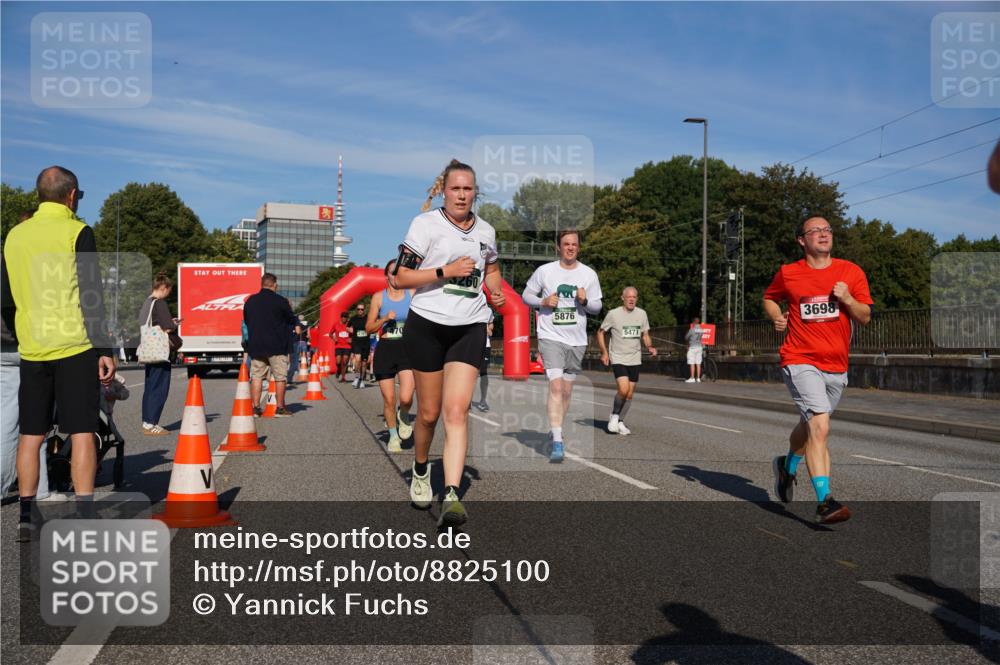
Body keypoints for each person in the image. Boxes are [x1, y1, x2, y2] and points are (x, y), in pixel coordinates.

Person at [2, 166, 115, 541]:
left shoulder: (15, 236)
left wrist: (25, 329)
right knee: (82, 431)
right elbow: (91, 293)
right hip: (74, 346)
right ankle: (84, 513)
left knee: (30, 434)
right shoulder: (78, 232)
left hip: (33, 347)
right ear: (71, 195)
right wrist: (104, 348)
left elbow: (6, 298)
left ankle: (26, 516)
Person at [392, 159, 505, 527]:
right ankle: (421, 467)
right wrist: (446, 271)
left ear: (475, 193)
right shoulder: (425, 225)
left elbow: (491, 269)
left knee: (456, 412)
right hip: (427, 324)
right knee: (428, 414)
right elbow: (400, 277)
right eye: (455, 188)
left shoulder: (486, 231)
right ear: (444, 191)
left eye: (468, 189)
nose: (461, 195)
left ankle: (452, 496)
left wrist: (496, 291)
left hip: (469, 326)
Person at [765, 216, 873, 525]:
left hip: (836, 365)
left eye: (827, 229)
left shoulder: (851, 272)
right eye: (815, 230)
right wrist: (776, 316)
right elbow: (769, 297)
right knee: (820, 427)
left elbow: (865, 316)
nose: (823, 234)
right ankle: (825, 501)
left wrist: (847, 298)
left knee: (810, 425)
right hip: (799, 359)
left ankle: (787, 465)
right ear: (802, 240)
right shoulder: (789, 273)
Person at [522, 228, 602, 462]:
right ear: (558, 247)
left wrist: (584, 300)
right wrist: (543, 301)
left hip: (577, 340)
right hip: (551, 337)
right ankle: (558, 441)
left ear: (579, 247)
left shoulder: (588, 274)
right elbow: (526, 296)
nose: (570, 248)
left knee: (566, 392)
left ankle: (554, 429)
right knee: (556, 388)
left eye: (574, 244)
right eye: (566, 244)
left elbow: (597, 307)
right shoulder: (545, 271)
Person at [1, 207, 63, 504]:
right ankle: (39, 490)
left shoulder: (8, 253)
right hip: (26, 345)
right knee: (34, 421)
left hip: (3, 346)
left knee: (10, 418)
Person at [367, 259, 415, 453]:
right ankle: (394, 436)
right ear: (386, 275)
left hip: (407, 348)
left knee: (406, 397)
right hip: (386, 349)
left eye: (398, 272)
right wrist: (384, 319)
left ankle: (403, 414)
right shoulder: (379, 297)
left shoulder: (412, 294)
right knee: (389, 399)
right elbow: (369, 327)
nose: (395, 276)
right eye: (392, 272)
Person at [597, 286, 657, 436]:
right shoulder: (613, 314)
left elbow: (645, 335)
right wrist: (604, 352)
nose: (631, 299)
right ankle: (614, 416)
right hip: (618, 357)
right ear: (622, 298)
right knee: (623, 390)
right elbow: (600, 332)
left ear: (637, 299)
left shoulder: (642, 314)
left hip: (635, 358)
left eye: (634, 297)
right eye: (629, 297)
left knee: (629, 395)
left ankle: (620, 421)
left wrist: (650, 346)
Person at [243, 273, 300, 418]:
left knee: (257, 376)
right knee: (280, 377)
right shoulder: (281, 301)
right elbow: (290, 319)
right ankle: (280, 408)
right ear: (274, 285)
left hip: (257, 345)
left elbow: (247, 321)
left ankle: (256, 408)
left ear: (262, 284)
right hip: (277, 346)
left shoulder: (251, 301)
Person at [138, 273, 182, 435]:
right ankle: (152, 423)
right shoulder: (159, 303)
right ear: (163, 288)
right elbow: (167, 327)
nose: (168, 294)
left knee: (150, 387)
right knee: (160, 388)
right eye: (168, 291)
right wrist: (174, 324)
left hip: (149, 351)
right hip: (159, 352)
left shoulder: (147, 303)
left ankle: (147, 421)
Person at [472, 310, 494, 412]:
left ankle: (483, 401)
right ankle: (466, 400)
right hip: (472, 345)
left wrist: (489, 329)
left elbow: (491, 325)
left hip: (485, 346)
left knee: (483, 372)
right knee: (470, 373)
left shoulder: (488, 310)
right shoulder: (469, 306)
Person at [347, 303, 370, 389]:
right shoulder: (353, 319)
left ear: (364, 310)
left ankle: (361, 380)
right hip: (356, 342)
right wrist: (350, 330)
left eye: (362, 309)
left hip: (366, 343)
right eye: (358, 309)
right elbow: (347, 327)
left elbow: (373, 325)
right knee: (357, 359)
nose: (360, 311)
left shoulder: (368, 318)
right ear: (357, 310)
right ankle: (357, 378)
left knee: (364, 363)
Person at [330, 311, 352, 382]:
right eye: (343, 317)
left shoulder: (350, 325)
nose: (344, 318)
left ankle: (343, 377)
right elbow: (330, 334)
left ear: (347, 318)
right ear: (341, 317)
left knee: (345, 361)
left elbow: (354, 333)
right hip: (338, 345)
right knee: (338, 361)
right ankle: (338, 369)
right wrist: (334, 338)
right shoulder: (336, 324)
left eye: (345, 317)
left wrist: (351, 339)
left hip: (347, 346)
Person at [685, 317, 704, 383]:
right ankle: (698, 378)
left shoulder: (692, 330)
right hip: (699, 347)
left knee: (692, 363)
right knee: (698, 363)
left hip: (692, 347)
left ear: (694, 322)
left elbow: (686, 337)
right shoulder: (701, 330)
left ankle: (692, 378)